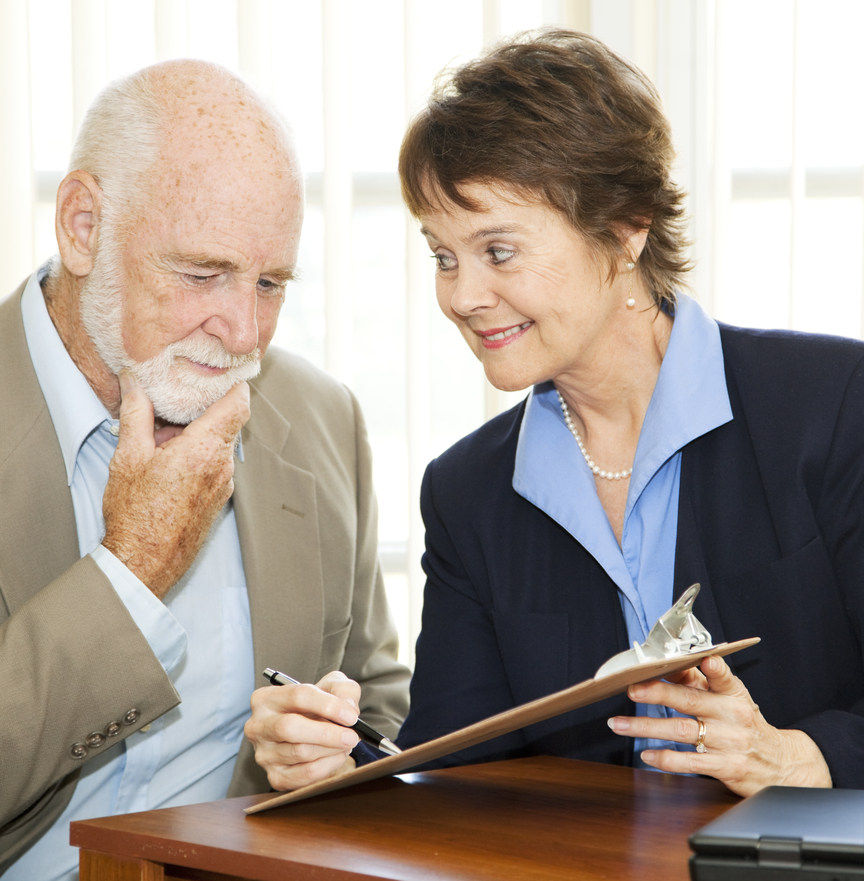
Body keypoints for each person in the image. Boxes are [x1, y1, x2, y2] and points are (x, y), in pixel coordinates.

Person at [247, 28, 864, 797]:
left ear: (625, 227)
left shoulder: (832, 405)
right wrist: (338, 767)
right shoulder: (467, 490)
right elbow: (454, 775)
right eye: (443, 255)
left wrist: (800, 755)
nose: (461, 295)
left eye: (497, 251)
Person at [0, 60, 408, 881]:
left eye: (269, 283)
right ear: (82, 227)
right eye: (201, 273)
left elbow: (382, 709)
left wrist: (336, 762)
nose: (241, 331)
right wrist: (131, 573)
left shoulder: (324, 420)